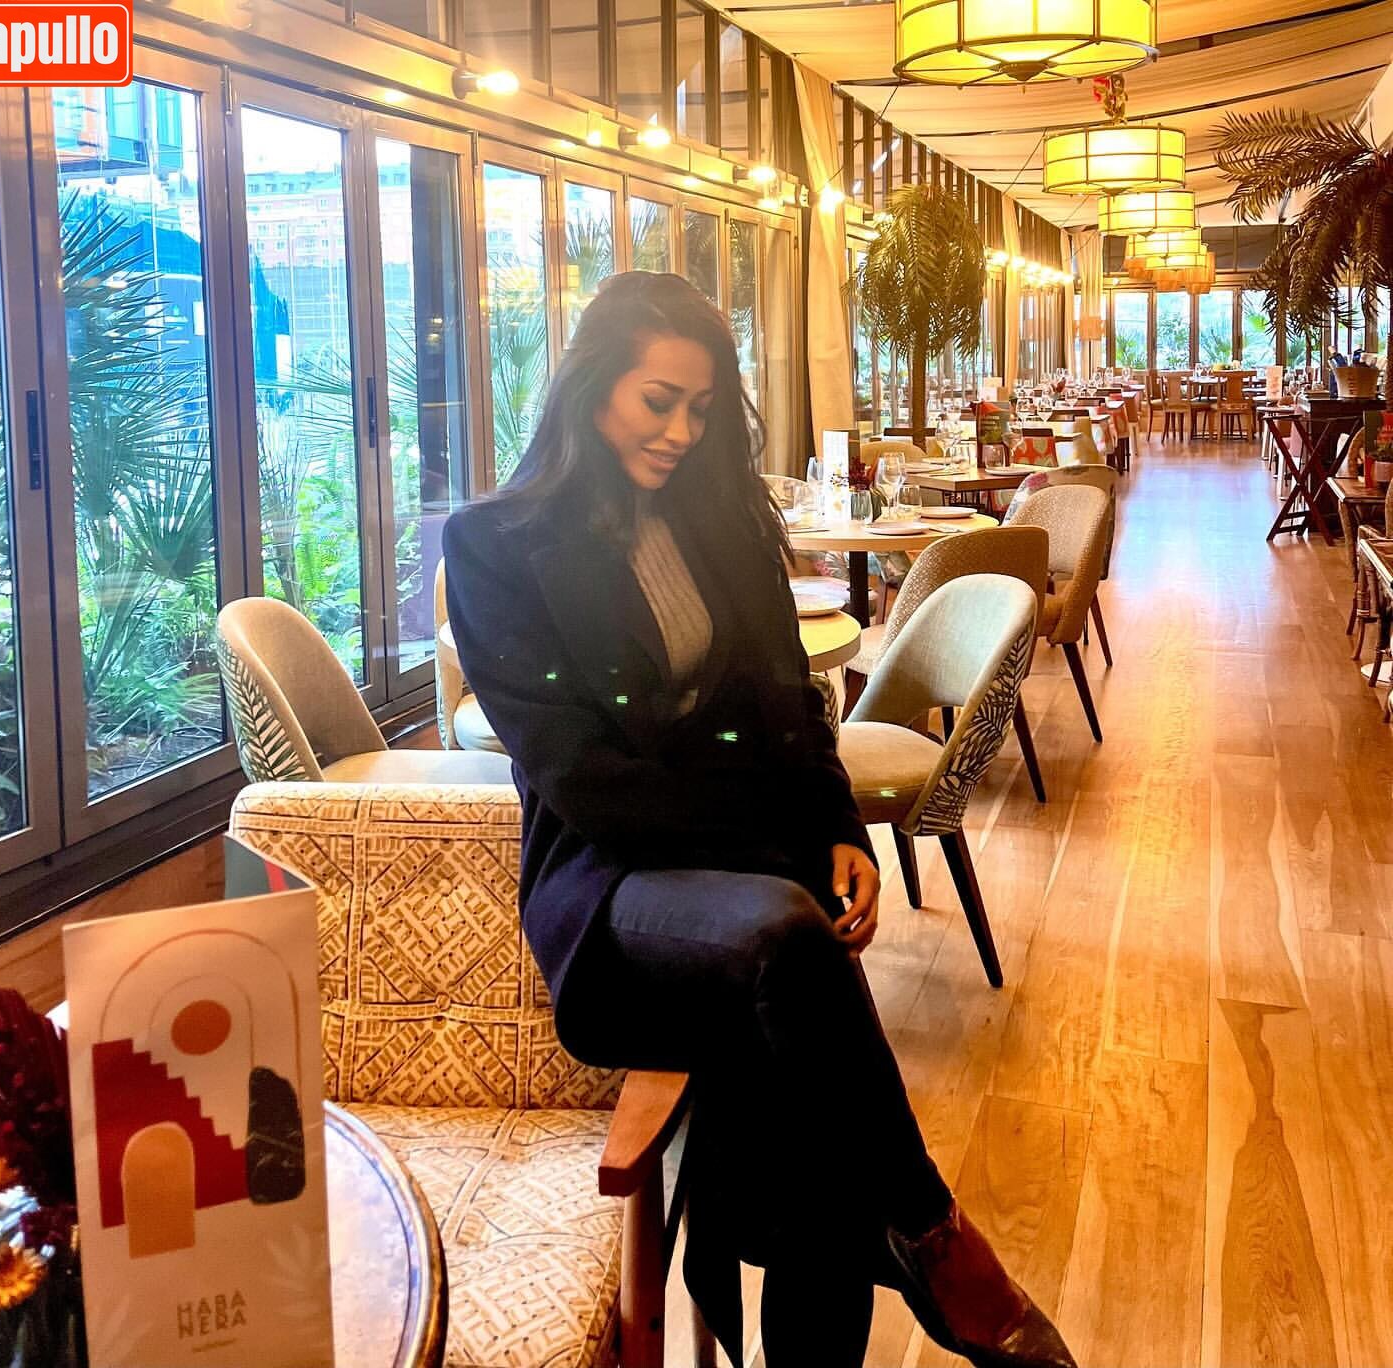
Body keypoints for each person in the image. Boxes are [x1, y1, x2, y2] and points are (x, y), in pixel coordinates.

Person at [443, 271, 1075, 1368]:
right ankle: (930, 1228)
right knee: (788, 932)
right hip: (611, 889)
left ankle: (887, 1237)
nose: (681, 432)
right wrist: (776, 859)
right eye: (657, 401)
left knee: (815, 1158)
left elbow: (789, 702)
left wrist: (838, 830)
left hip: (759, 886)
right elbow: (584, 781)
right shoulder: (495, 545)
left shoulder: (723, 517)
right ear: (591, 389)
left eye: (700, 408)